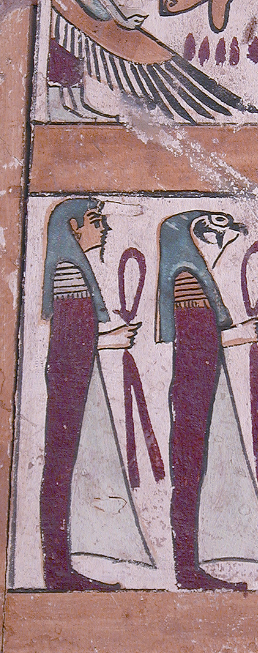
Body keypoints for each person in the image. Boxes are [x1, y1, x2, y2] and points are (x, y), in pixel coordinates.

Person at [156, 210, 258, 591]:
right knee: (189, 473)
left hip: (194, 383)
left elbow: (200, 337)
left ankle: (188, 567)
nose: (223, 244)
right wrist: (241, 335)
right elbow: (196, 342)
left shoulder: (192, 274)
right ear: (195, 237)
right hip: (192, 387)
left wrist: (239, 335)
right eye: (216, 236)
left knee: (193, 471)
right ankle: (187, 569)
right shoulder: (187, 277)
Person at [41, 198, 140, 591]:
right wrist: (109, 341)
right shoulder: (68, 269)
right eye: (96, 221)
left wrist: (107, 340)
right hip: (69, 377)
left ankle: (59, 567)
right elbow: (69, 340)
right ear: (73, 228)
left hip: (73, 374)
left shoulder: (73, 266)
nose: (105, 229)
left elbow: (74, 336)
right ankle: (57, 569)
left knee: (63, 468)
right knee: (60, 469)